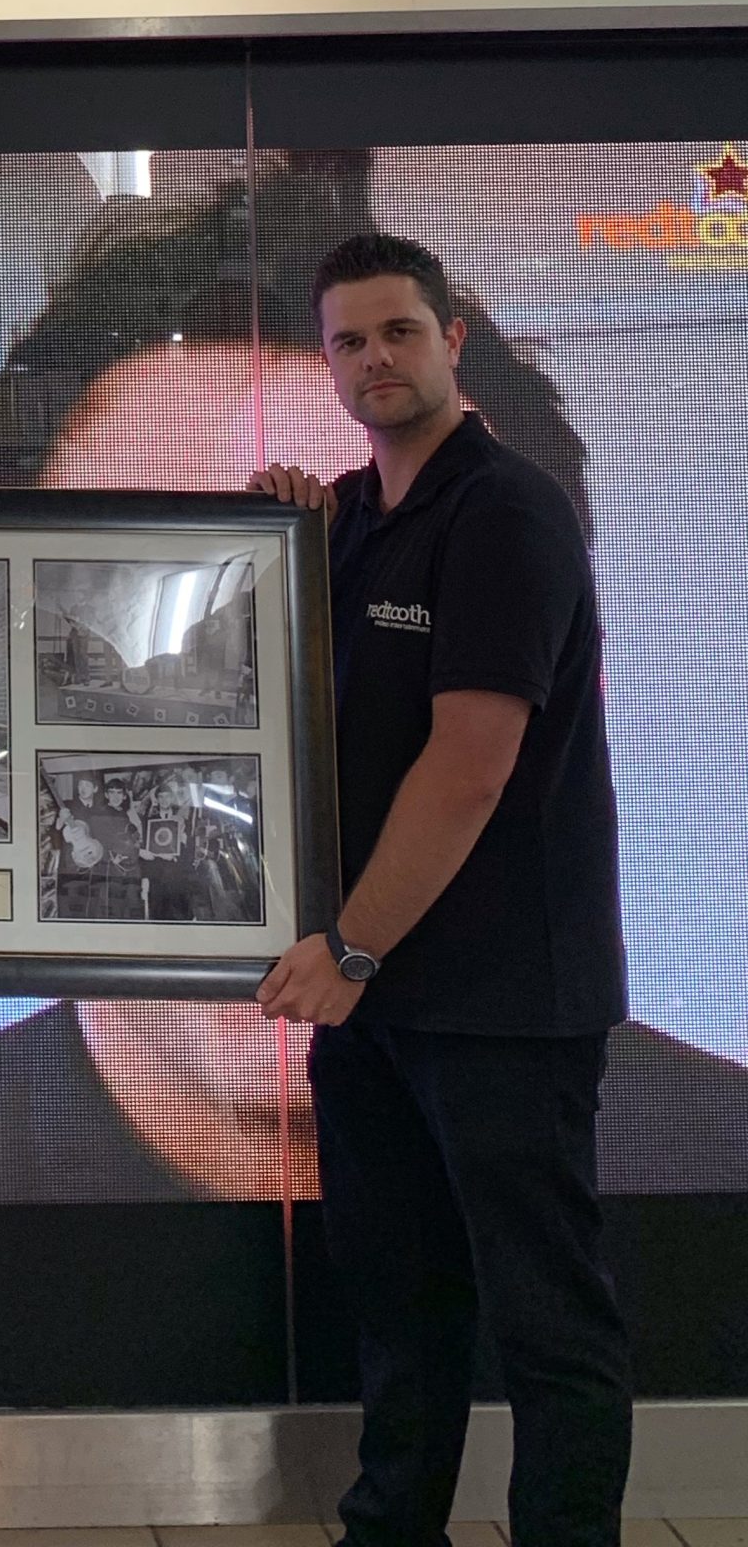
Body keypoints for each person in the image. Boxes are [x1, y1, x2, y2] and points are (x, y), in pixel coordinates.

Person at [0, 152, 748, 1210]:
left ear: (567, 697)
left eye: (352, 644)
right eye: (122, 648)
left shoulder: (717, 1158)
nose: (249, 781)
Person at [251, 230, 630, 1547]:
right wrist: (274, 539)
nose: (376, 359)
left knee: (546, 1325)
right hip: (378, 1001)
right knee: (403, 1310)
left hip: (503, 999)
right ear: (328, 362)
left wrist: (348, 949)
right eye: (349, 340)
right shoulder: (351, 522)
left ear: (452, 336)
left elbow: (470, 765)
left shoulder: (508, 513)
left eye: (399, 331)